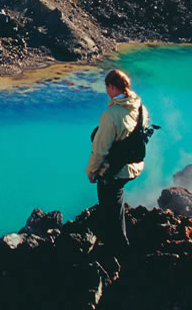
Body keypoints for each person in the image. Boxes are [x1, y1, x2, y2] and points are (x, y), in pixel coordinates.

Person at [86, 68, 149, 257]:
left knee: (108, 202)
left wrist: (91, 171)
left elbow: (100, 149)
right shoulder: (139, 107)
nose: (106, 91)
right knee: (116, 200)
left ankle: (118, 248)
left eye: (107, 87)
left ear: (112, 87)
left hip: (115, 170)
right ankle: (117, 241)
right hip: (133, 165)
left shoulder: (111, 115)